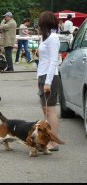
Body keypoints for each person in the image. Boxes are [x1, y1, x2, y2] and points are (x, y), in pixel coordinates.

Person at [37, 11, 60, 151]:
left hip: (50, 77)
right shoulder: (44, 38)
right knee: (45, 109)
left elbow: (53, 61)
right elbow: (41, 60)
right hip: (42, 75)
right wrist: (39, 78)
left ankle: (53, 141)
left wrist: (48, 82)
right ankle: (48, 139)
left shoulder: (53, 38)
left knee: (50, 110)